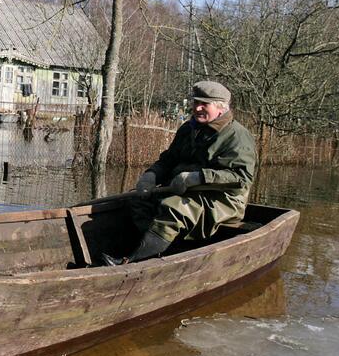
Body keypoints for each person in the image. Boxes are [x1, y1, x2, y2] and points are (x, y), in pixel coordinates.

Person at [101, 81, 257, 265]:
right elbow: (168, 161)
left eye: (204, 104)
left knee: (174, 208)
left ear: (220, 108)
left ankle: (134, 262)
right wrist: (151, 175)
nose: (197, 108)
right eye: (195, 102)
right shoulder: (188, 129)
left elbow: (242, 177)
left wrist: (197, 178)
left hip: (222, 200)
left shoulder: (237, 136)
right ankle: (160, 247)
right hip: (184, 192)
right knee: (136, 200)